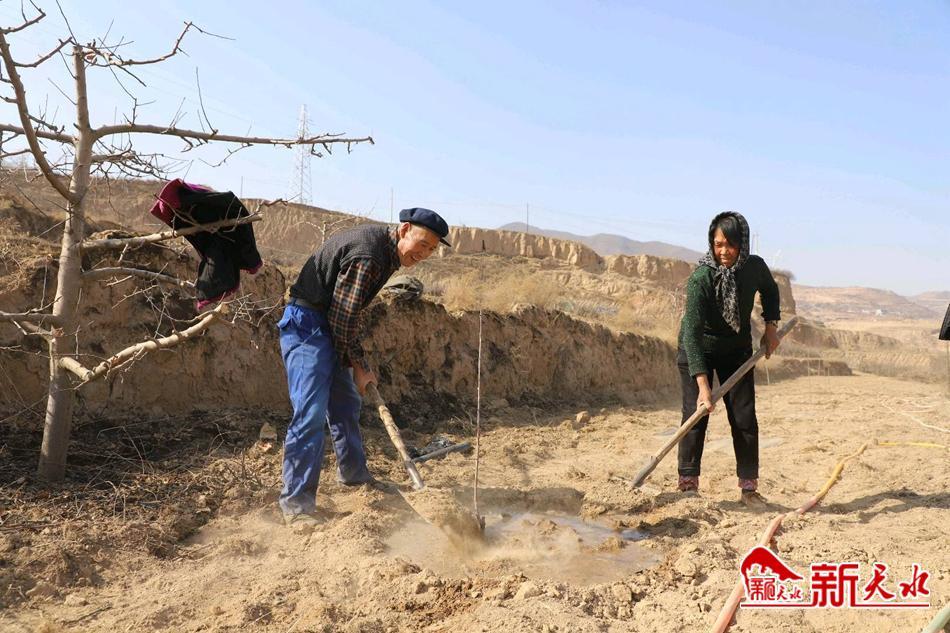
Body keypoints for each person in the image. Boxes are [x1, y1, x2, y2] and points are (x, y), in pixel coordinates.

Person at [277, 208, 451, 528]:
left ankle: (354, 476)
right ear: (404, 230)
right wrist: (359, 365)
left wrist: (359, 363)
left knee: (346, 404)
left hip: (329, 326)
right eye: (422, 243)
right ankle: (297, 505)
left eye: (431, 249)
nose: (424, 253)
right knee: (311, 414)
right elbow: (343, 316)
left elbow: (347, 315)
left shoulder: (387, 252)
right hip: (307, 326)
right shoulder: (369, 254)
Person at [676, 211, 781, 508]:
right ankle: (688, 484)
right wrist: (703, 386)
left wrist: (771, 328)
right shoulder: (701, 278)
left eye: (730, 245)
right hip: (697, 348)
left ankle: (749, 487)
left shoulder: (754, 267)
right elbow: (692, 335)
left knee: (744, 417)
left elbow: (770, 291)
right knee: (695, 414)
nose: (723, 251)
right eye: (718, 244)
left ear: (742, 244)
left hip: (736, 350)